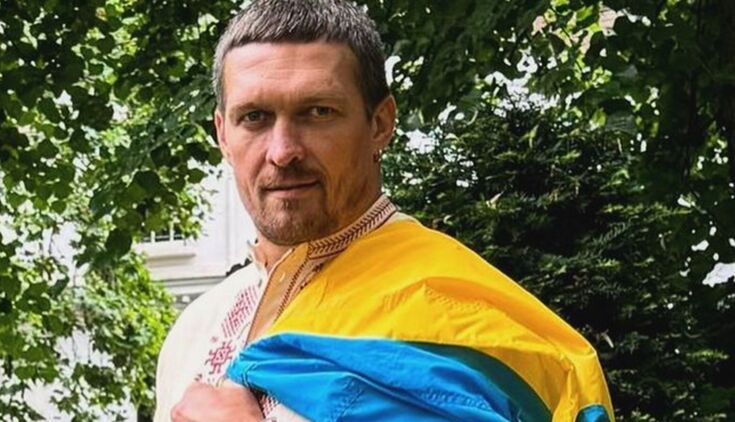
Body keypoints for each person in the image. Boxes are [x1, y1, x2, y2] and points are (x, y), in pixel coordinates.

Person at [154, 1, 614, 421]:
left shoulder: (465, 318)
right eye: (254, 117)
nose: (282, 151)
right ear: (223, 134)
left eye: (318, 112)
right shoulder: (196, 329)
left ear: (380, 124)